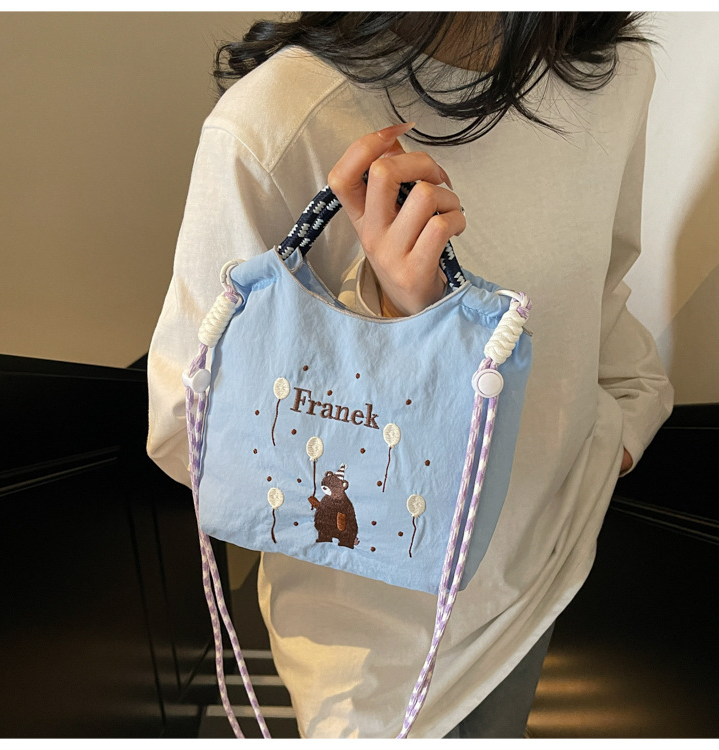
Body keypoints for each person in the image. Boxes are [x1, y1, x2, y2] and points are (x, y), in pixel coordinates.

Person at [147, 12, 674, 738]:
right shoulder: (279, 120)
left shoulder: (612, 73)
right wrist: (393, 323)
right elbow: (185, 435)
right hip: (372, 667)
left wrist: (626, 427)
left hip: (544, 572)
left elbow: (600, 295)